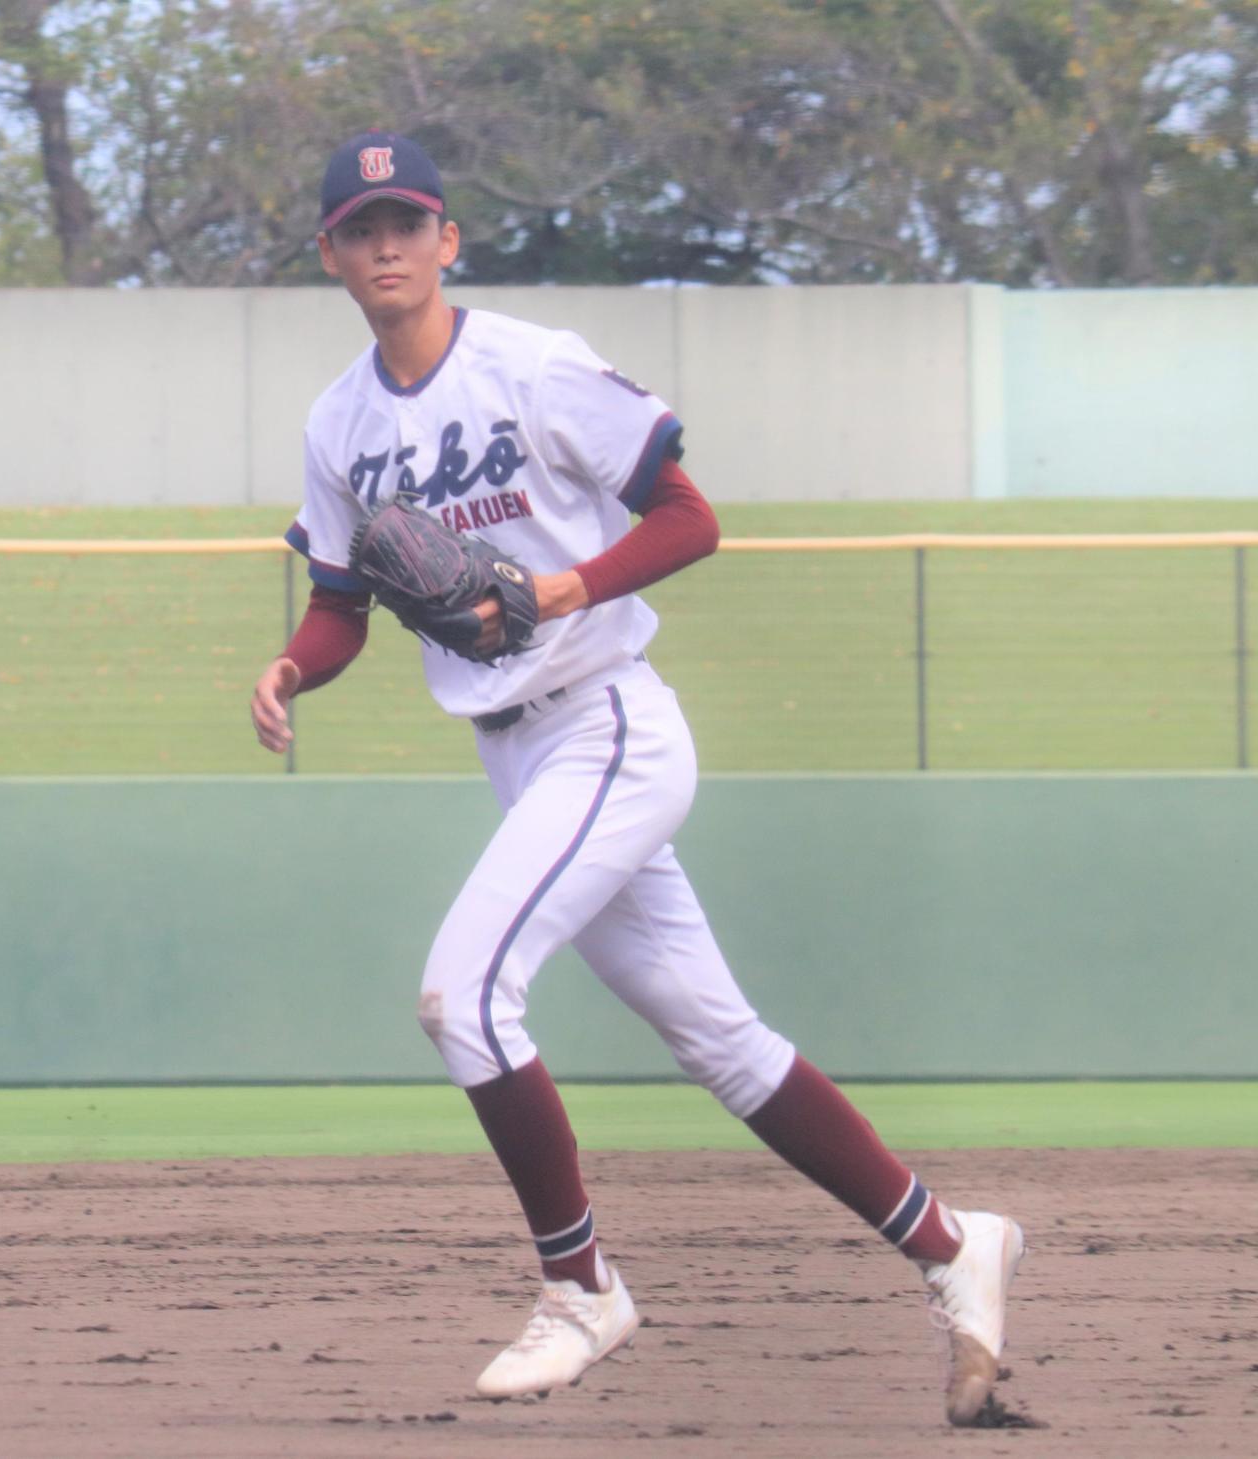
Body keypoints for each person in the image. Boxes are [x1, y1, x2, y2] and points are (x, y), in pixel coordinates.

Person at [249, 130, 1024, 1425]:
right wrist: (290, 667)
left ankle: (582, 1289)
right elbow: (343, 602)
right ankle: (955, 1247)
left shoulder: (532, 366)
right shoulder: (340, 424)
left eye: (408, 220)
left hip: (608, 726)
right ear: (329, 253)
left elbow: (690, 516)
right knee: (723, 1043)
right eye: (359, 227)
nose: (386, 244)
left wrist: (566, 584)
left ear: (449, 239)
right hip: (519, 755)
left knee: (465, 998)